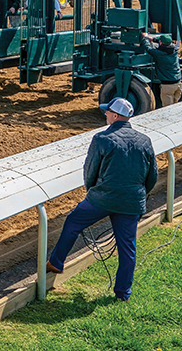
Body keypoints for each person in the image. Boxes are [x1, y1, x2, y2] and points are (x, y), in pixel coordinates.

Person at [46, 97, 157, 302]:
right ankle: (123, 293)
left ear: (115, 116)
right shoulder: (145, 140)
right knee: (127, 248)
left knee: (73, 222)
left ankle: (56, 262)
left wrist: (92, 192)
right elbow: (152, 176)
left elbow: (90, 172)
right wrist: (139, 196)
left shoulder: (102, 139)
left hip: (102, 199)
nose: (105, 114)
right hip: (132, 202)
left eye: (107, 112)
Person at [141, 33, 182, 106]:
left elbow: (148, 48)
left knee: (168, 108)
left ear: (161, 43)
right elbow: (163, 43)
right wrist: (153, 39)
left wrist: (145, 38)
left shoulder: (159, 54)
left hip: (167, 86)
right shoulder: (174, 49)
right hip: (178, 83)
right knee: (175, 106)